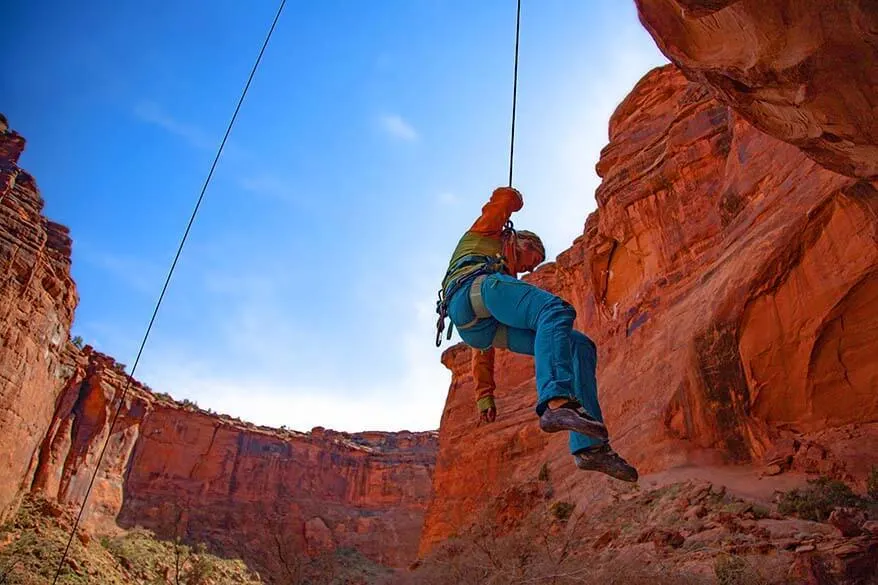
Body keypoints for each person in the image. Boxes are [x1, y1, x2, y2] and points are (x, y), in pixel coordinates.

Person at [436, 186, 637, 482]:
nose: (531, 266)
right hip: (471, 290)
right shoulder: (487, 236)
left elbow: (482, 350)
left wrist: (484, 396)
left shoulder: (503, 279)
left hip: (479, 329)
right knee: (556, 312)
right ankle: (556, 402)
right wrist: (512, 199)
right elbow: (498, 205)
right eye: (533, 256)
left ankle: (590, 449)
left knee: (579, 346)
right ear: (518, 240)